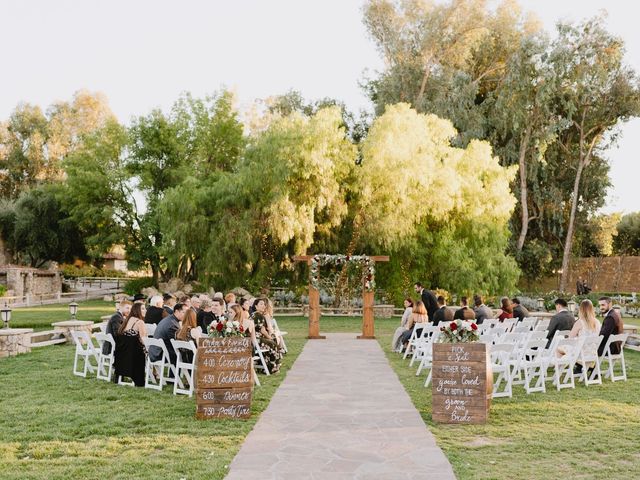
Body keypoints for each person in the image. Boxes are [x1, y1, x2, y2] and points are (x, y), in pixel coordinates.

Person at [114, 303, 148, 387]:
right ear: (137, 311)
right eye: (143, 309)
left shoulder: (127, 320)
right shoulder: (140, 322)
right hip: (135, 354)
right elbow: (144, 341)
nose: (146, 310)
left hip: (124, 353)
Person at [251, 298, 284, 374]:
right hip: (257, 339)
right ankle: (273, 367)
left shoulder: (254, 315)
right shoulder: (258, 316)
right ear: (256, 306)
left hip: (255, 339)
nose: (264, 306)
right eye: (261, 304)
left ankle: (265, 367)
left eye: (264, 304)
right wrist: (270, 338)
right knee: (273, 344)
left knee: (271, 342)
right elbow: (263, 331)